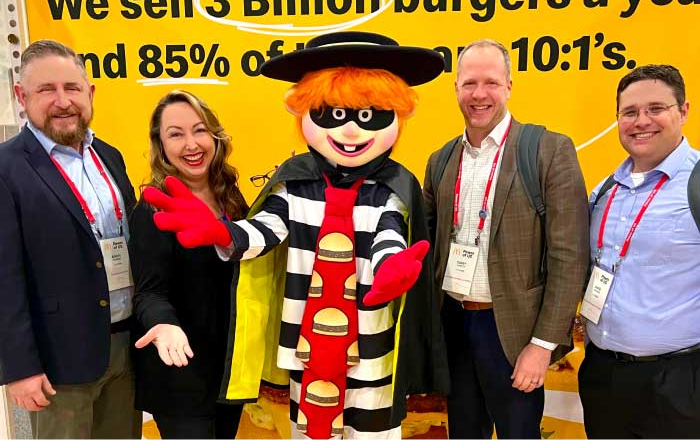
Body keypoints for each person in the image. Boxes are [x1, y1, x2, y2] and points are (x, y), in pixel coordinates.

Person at [144, 31, 449, 439]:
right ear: (305, 111)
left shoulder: (395, 186)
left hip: (372, 347)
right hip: (307, 350)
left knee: (372, 432)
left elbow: (389, 237)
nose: (353, 131)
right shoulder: (294, 181)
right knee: (310, 432)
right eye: (333, 114)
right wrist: (224, 233)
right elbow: (266, 228)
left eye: (369, 114)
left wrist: (389, 270)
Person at [422, 38, 589, 439]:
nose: (480, 94)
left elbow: (570, 258)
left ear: (510, 86)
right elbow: (425, 248)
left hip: (513, 331)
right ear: (456, 88)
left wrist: (543, 345)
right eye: (469, 83)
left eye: (492, 83)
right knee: (463, 432)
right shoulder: (441, 159)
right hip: (455, 324)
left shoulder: (548, 150)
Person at [0, 39, 141, 438]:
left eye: (72, 88)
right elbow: (4, 278)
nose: (62, 101)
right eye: (46, 90)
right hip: (57, 362)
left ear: (90, 93)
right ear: (21, 97)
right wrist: (20, 367)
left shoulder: (110, 157)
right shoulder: (6, 168)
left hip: (125, 348)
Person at [578, 64, 700, 438]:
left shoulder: (696, 184)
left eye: (655, 109)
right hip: (602, 376)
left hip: (677, 384)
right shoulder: (603, 190)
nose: (641, 121)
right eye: (629, 112)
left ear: (683, 111)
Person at [128, 90, 249, 439]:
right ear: (161, 145)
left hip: (228, 369)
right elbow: (149, 293)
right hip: (180, 372)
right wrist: (164, 324)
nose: (191, 144)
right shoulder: (153, 210)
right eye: (175, 134)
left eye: (199, 130)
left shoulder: (231, 195)